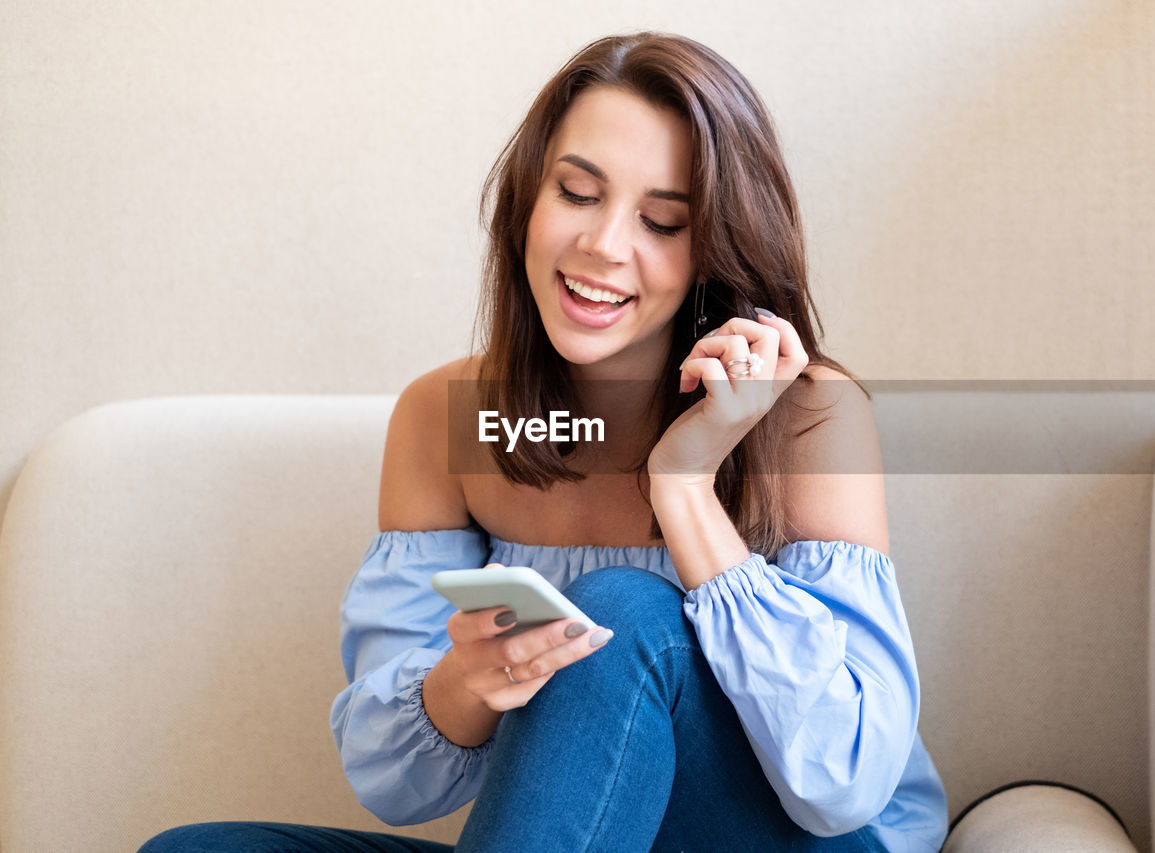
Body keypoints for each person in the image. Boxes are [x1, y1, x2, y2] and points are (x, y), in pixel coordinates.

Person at [141, 32, 947, 853]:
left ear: (712, 251)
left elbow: (844, 782)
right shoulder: (449, 417)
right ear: (528, 197)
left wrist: (684, 487)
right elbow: (390, 781)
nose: (603, 245)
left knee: (624, 611)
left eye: (663, 222)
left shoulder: (805, 417)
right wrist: (466, 681)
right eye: (577, 193)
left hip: (803, 841)